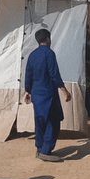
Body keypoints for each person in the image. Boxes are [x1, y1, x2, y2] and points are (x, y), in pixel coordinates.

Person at [24, 29, 72, 162]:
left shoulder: (32, 55)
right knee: (53, 122)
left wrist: (28, 91)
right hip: (49, 95)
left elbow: (28, 74)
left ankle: (39, 148)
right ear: (48, 39)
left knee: (40, 122)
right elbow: (54, 74)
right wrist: (64, 90)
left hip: (36, 94)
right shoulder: (49, 54)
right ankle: (45, 151)